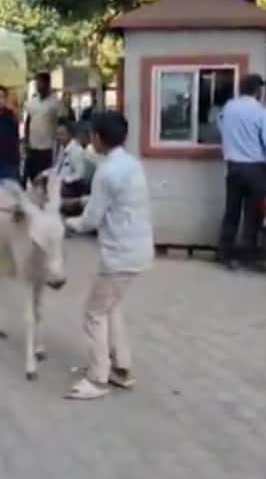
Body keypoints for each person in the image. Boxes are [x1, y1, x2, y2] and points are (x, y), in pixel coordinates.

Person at [64, 111, 154, 400]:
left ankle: (98, 378)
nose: (90, 140)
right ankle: (121, 368)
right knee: (110, 308)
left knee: (93, 314)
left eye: (91, 135)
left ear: (99, 138)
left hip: (119, 256)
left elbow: (90, 220)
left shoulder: (106, 172)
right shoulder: (131, 164)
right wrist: (76, 201)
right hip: (138, 251)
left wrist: (64, 222)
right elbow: (112, 199)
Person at [216, 74, 266, 270]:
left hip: (233, 167)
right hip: (255, 168)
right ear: (258, 91)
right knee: (253, 213)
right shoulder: (261, 112)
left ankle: (224, 253)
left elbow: (220, 125)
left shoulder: (228, 108)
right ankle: (248, 256)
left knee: (232, 211)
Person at [23, 72, 64, 183]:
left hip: (48, 147)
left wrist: (61, 141)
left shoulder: (56, 103)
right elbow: (28, 121)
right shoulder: (32, 102)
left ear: (47, 84)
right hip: (33, 145)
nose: (38, 85)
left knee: (45, 176)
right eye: (37, 83)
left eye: (40, 83)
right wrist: (26, 141)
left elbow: (62, 123)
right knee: (31, 175)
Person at [53, 120, 89, 199]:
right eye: (57, 134)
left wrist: (64, 180)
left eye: (62, 134)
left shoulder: (76, 150)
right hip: (58, 185)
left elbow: (81, 174)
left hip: (70, 189)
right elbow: (57, 168)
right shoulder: (62, 148)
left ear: (70, 134)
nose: (59, 137)